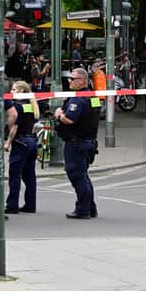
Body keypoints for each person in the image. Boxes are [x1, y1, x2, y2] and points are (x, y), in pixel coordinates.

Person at [53, 68, 100, 219]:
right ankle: (90, 207)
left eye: (72, 79)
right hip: (88, 142)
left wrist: (59, 115)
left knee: (77, 176)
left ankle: (83, 209)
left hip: (77, 143)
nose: (69, 81)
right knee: (83, 176)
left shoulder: (78, 99)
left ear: (82, 81)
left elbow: (70, 119)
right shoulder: (91, 97)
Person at [4, 81, 40, 214]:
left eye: (14, 90)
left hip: (21, 142)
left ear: (22, 92)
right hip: (31, 141)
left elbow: (14, 127)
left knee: (14, 175)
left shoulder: (18, 107)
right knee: (29, 175)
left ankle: (12, 205)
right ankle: (31, 205)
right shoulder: (31, 105)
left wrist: (8, 142)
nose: (11, 92)